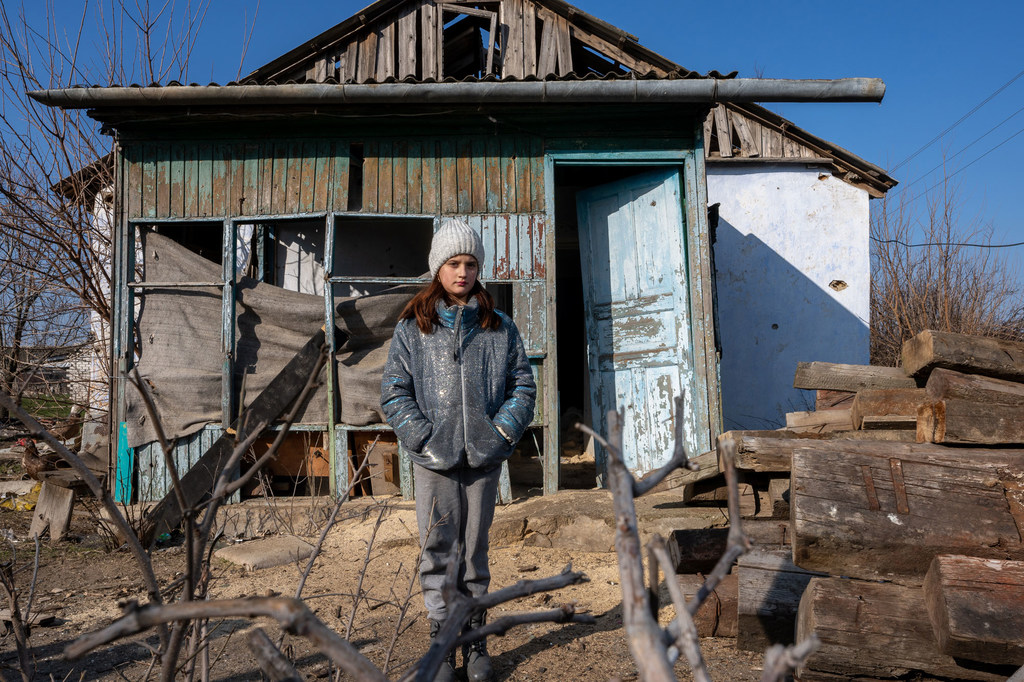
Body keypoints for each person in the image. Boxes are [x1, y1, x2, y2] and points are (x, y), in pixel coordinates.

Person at [380, 217, 536, 682]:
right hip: (434, 463)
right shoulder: (413, 328)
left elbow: (522, 387)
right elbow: (393, 393)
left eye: (470, 263)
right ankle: (442, 644)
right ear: (438, 268)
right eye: (454, 263)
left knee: (474, 551)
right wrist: (423, 438)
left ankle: (474, 643)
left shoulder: (499, 327)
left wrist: (501, 434)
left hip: (484, 461)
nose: (463, 272)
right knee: (438, 550)